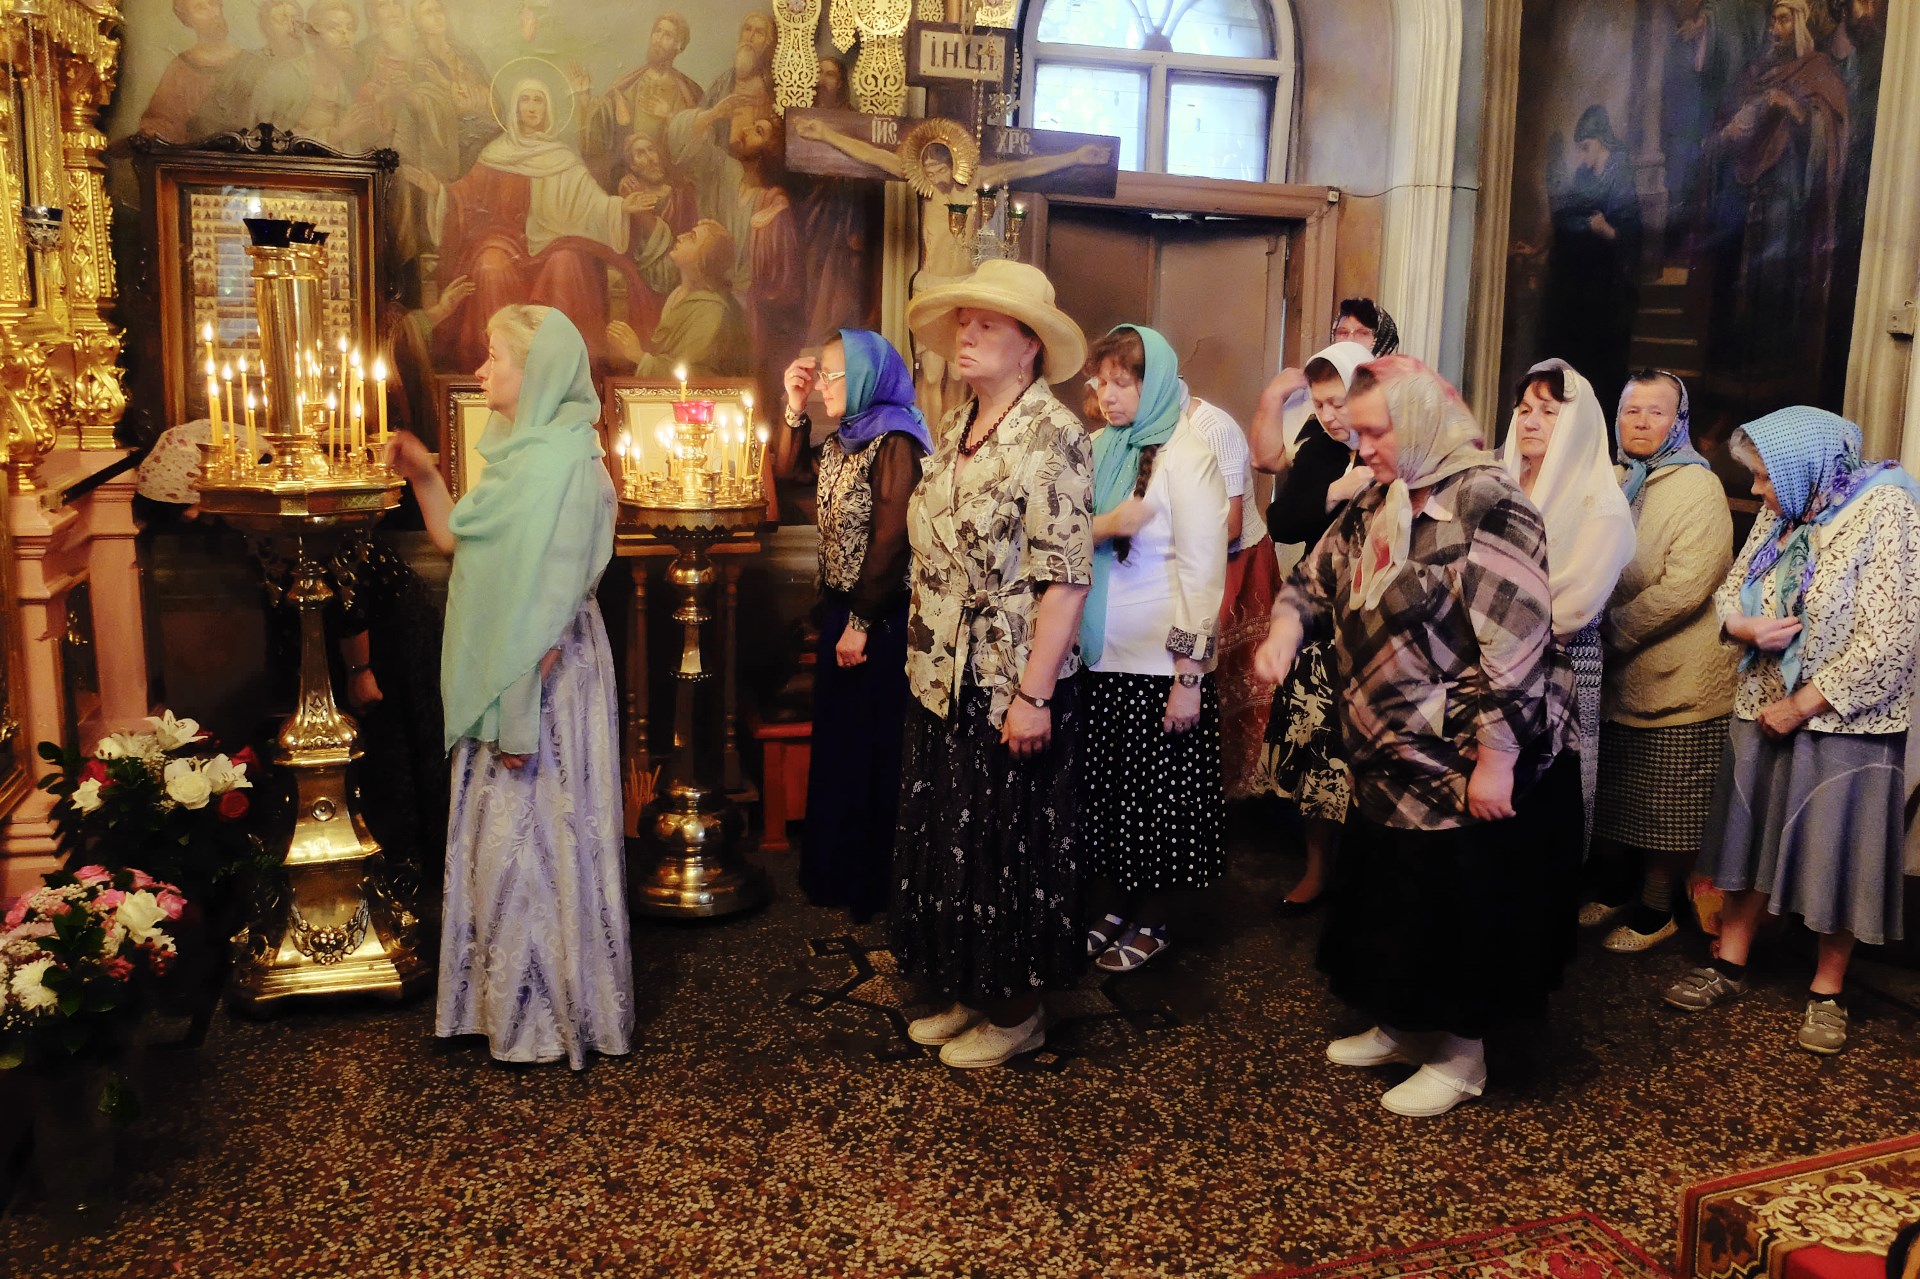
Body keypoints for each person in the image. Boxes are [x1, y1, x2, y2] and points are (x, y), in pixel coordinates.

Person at [1254, 357, 1578, 1117]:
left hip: (1457, 753)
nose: (1361, 446)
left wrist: (1497, 760)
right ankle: (1402, 1025)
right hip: (1387, 750)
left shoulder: (1490, 506)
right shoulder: (1384, 494)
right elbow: (1314, 579)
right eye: (1359, 431)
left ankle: (1462, 1056)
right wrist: (1284, 630)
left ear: (1424, 424)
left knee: (1455, 902)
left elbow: (1515, 648)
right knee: (1392, 895)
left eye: (1376, 432)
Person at [385, 305, 633, 1069]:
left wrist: (518, 712)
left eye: (496, 357)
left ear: (539, 372)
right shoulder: (518, 460)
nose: (482, 369)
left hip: (543, 684)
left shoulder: (571, 468)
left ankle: (550, 1017)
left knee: (543, 839)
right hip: (506, 673)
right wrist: (423, 471)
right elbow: (456, 537)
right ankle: (497, 1005)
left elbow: (550, 610)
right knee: (501, 842)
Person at [1664, 407, 1920, 1055]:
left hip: (1846, 716)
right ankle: (1730, 963)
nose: (1757, 491)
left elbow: (1891, 640)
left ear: (1804, 466)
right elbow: (1733, 589)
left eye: (1762, 477)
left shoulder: (1886, 509)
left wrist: (1802, 704)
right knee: (1748, 834)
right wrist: (1742, 625)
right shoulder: (1790, 505)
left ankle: (1828, 991)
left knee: (1839, 848)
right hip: (1764, 700)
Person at [891, 259, 1093, 1069]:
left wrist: (1033, 694)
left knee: (1008, 850)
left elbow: (1066, 579)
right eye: (962, 323)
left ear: (1029, 345)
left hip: (1010, 680)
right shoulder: (956, 424)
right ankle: (971, 987)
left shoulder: (1054, 433)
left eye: (987, 325)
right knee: (954, 843)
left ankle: (1017, 1010)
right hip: (942, 674)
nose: (966, 335)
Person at [1078, 326, 1229, 972]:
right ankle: (1115, 906)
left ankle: (1155, 918)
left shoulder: (1187, 455)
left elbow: (1202, 572)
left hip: (1158, 668)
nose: (1108, 395)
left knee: (1155, 806)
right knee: (1109, 799)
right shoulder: (1099, 446)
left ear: (1155, 383)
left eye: (1123, 383)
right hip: (1099, 658)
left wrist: (1188, 677)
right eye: (1102, 382)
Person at [777, 331, 932, 921]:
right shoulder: (846, 437)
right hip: (845, 611)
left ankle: (874, 883)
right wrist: (793, 409)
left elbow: (892, 540)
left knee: (873, 748)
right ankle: (836, 873)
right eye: (820, 374)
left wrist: (861, 623)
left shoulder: (896, 439)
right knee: (841, 745)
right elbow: (790, 473)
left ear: (867, 377)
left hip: (881, 618)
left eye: (831, 375)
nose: (822, 384)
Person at [1587, 372, 1736, 952]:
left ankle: (1656, 910)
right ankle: (1612, 889)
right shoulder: (1613, 478)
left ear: (1679, 422)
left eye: (1656, 412)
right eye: (1631, 411)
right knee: (1615, 793)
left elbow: (1685, 587)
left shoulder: (1699, 487)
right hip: (1614, 674)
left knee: (1665, 806)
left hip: (1677, 675)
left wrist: (1609, 630)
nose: (1642, 422)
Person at [1251, 341, 1374, 911]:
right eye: (1320, 403)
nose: (1329, 415)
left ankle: (1364, 876)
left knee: (1366, 759)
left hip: (1374, 626)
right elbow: (1283, 520)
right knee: (1317, 753)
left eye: (1338, 402)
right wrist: (1336, 491)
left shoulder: (1392, 449)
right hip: (1320, 618)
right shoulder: (1320, 448)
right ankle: (1318, 866)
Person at [1502, 359, 1635, 854]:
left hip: (1560, 666)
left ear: (1576, 422)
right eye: (1524, 409)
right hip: (1488, 665)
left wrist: (1487, 626)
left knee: (1543, 804)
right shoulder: (1499, 483)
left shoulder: (1601, 505)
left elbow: (1569, 610)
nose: (1530, 421)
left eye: (1548, 411)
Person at [1180, 380, 1277, 800]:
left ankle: (1239, 798)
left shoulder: (1213, 428)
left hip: (1236, 564)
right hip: (1194, 565)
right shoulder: (1150, 427)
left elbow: (1231, 527)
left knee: (1230, 683)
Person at [1249, 301, 1397, 473]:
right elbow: (1265, 462)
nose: (1350, 340)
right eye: (1342, 332)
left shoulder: (1399, 398)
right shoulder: (1311, 388)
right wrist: (1272, 396)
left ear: (1384, 338)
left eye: (1362, 333)